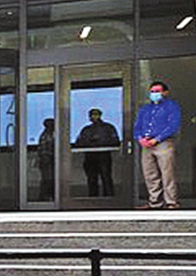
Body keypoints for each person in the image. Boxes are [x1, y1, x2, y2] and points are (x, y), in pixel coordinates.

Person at [133, 79, 182, 209]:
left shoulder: (171, 106)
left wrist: (157, 139)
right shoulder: (145, 109)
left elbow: (173, 125)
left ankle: (171, 202)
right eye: (152, 91)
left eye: (157, 91)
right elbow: (137, 127)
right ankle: (155, 202)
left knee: (167, 173)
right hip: (146, 144)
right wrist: (140, 139)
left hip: (163, 143)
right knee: (150, 174)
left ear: (165, 92)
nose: (154, 94)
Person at [74, 108, 121, 197]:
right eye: (92, 115)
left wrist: (100, 142)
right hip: (90, 157)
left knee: (106, 178)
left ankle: (109, 198)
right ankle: (93, 198)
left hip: (103, 156)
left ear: (100, 115)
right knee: (92, 179)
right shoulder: (86, 129)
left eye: (96, 114)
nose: (94, 117)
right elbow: (79, 142)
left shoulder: (108, 128)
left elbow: (115, 141)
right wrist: (90, 143)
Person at [34, 119, 57, 200]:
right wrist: (46, 160)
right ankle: (44, 198)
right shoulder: (46, 136)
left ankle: (49, 197)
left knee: (50, 180)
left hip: (49, 160)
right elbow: (44, 151)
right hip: (47, 161)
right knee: (47, 180)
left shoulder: (51, 135)